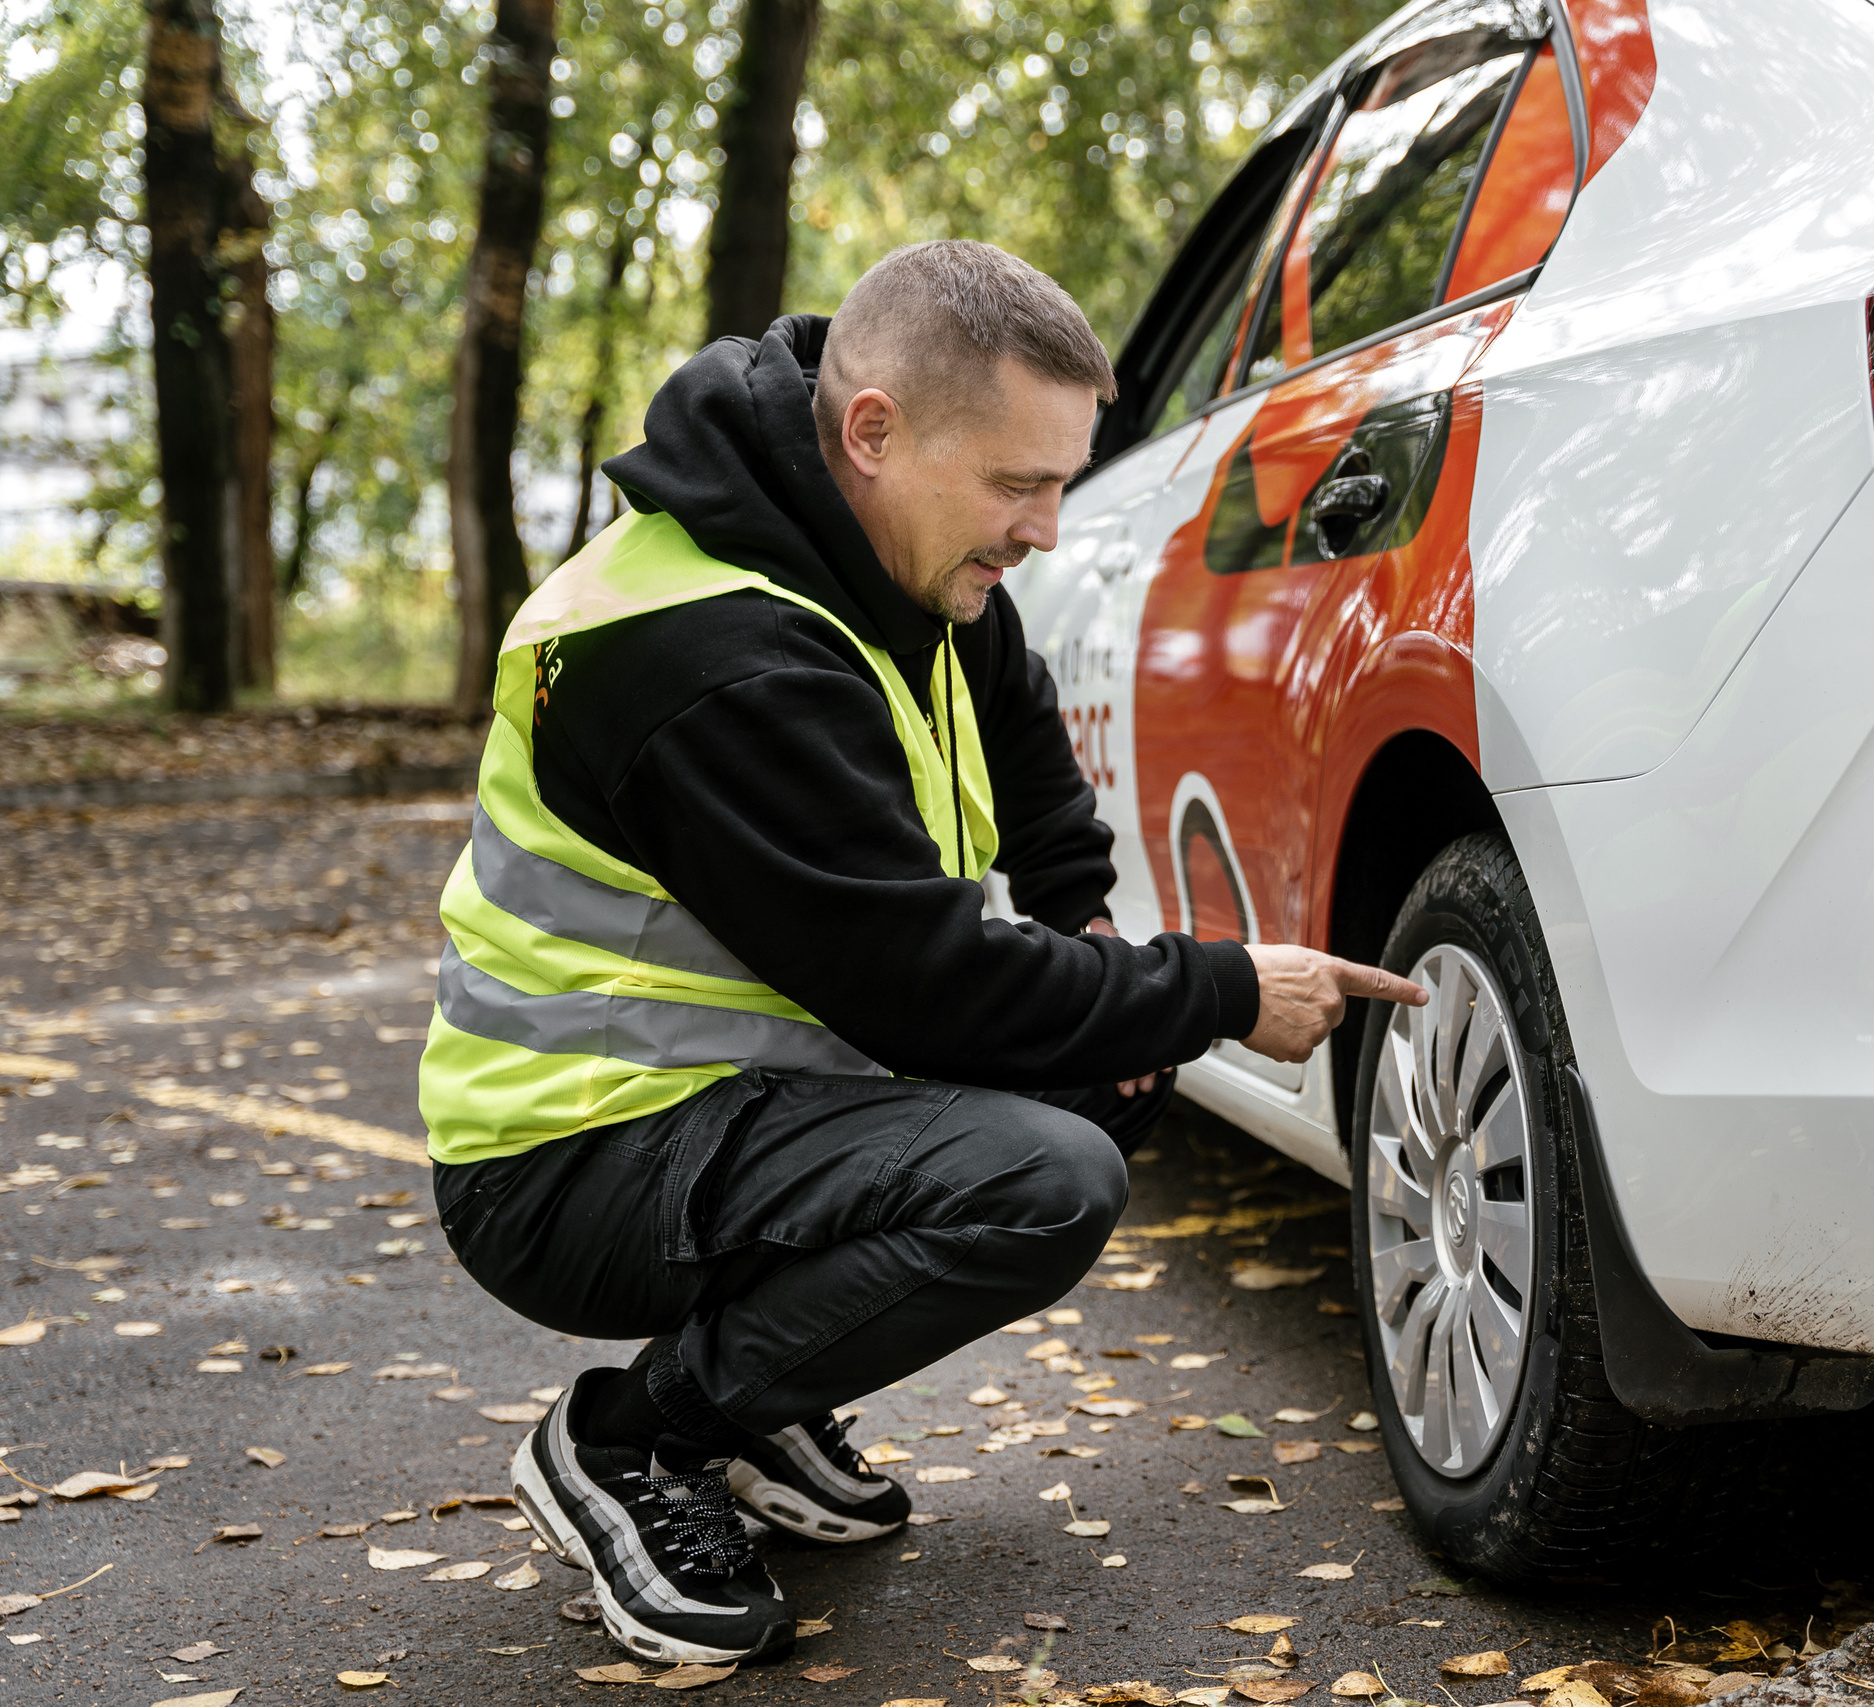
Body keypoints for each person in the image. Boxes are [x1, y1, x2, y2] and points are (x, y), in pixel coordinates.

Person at [416, 240, 1423, 1668]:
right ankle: (632, 1440)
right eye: (1020, 486)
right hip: (571, 1160)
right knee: (1044, 1176)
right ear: (873, 431)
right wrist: (1215, 991)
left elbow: (1043, 804)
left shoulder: (901, 568)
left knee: (1094, 1077)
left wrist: (1103, 960)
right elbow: (931, 987)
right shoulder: (707, 654)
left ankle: (755, 1395)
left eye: (1062, 481)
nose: (1049, 531)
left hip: (731, 1111)